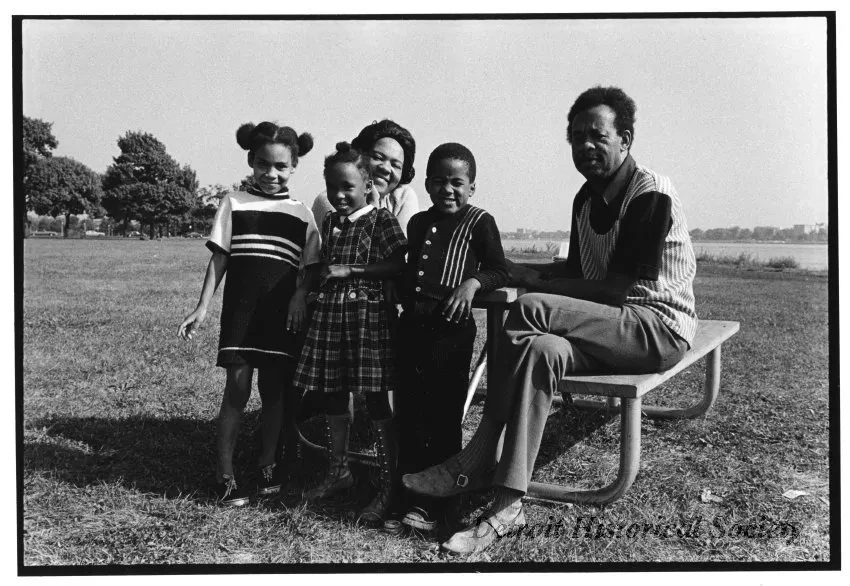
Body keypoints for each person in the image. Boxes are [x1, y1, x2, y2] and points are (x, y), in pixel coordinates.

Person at [402, 86, 698, 554]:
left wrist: (528, 285)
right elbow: (580, 276)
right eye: (577, 136)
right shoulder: (586, 198)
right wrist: (521, 272)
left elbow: (613, 290)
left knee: (528, 307)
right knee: (541, 349)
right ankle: (507, 506)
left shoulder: (650, 194)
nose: (585, 146)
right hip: (608, 325)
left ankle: (476, 457)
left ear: (625, 139)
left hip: (655, 327)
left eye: (597, 136)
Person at [178, 122, 321, 506]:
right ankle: (225, 474)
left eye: (281, 167)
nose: (271, 174)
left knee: (274, 394)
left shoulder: (302, 214)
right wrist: (202, 307)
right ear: (251, 162)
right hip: (241, 317)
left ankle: (267, 464)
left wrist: (300, 297)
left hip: (281, 319)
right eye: (263, 165)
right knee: (237, 390)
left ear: (293, 167)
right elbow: (219, 259)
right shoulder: (234, 203)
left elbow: (310, 268)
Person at [393, 143, 508, 533]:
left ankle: (444, 502)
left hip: (450, 334)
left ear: (471, 187)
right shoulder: (418, 223)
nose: (448, 189)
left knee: (442, 417)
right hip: (412, 330)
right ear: (427, 184)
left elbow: (499, 269)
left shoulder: (480, 222)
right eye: (439, 181)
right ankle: (406, 495)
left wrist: (472, 284)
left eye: (457, 182)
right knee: (408, 413)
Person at [293, 142, 408, 525]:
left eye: (348, 187)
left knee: (375, 399)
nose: (339, 195)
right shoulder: (329, 223)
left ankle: (388, 483)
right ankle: (339, 471)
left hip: (366, 319)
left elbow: (397, 264)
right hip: (331, 318)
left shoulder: (381, 220)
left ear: (367, 186)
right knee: (332, 393)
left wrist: (353, 272)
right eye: (332, 187)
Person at [311, 119, 419, 236]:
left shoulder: (403, 196)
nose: (386, 168)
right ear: (360, 157)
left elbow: (403, 250)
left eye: (395, 165)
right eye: (378, 157)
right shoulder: (330, 199)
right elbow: (352, 247)